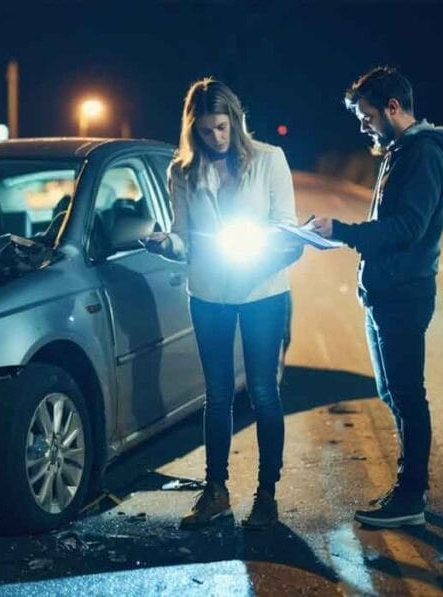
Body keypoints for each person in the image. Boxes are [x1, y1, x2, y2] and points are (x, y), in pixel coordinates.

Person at [145, 78, 302, 530]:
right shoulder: (182, 171)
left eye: (222, 127)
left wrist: (260, 262)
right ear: (192, 130)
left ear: (236, 120)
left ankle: (267, 495)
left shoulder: (270, 160)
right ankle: (215, 492)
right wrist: (166, 243)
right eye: (206, 131)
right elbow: (183, 235)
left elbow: (287, 231)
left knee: (263, 392)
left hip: (263, 292)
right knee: (216, 395)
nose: (216, 138)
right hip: (209, 294)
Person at [311, 66, 443, 528]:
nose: (363, 125)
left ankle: (411, 495)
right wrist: (340, 237)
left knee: (408, 395)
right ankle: (409, 487)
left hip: (404, 294)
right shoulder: (401, 150)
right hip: (384, 290)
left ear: (393, 107)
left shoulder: (425, 154)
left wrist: (343, 232)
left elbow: (408, 229)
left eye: (366, 115)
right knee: (391, 391)